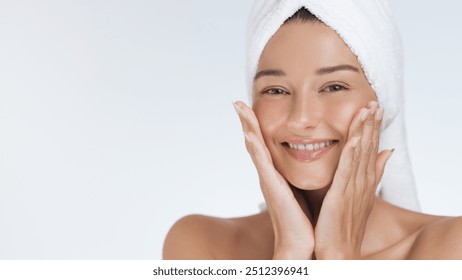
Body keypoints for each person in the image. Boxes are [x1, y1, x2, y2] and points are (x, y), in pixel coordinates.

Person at [163, 2, 462, 259]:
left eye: (334, 87)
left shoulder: (449, 248)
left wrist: (339, 257)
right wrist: (290, 253)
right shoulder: (204, 245)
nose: (301, 118)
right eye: (276, 90)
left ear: (383, 101)